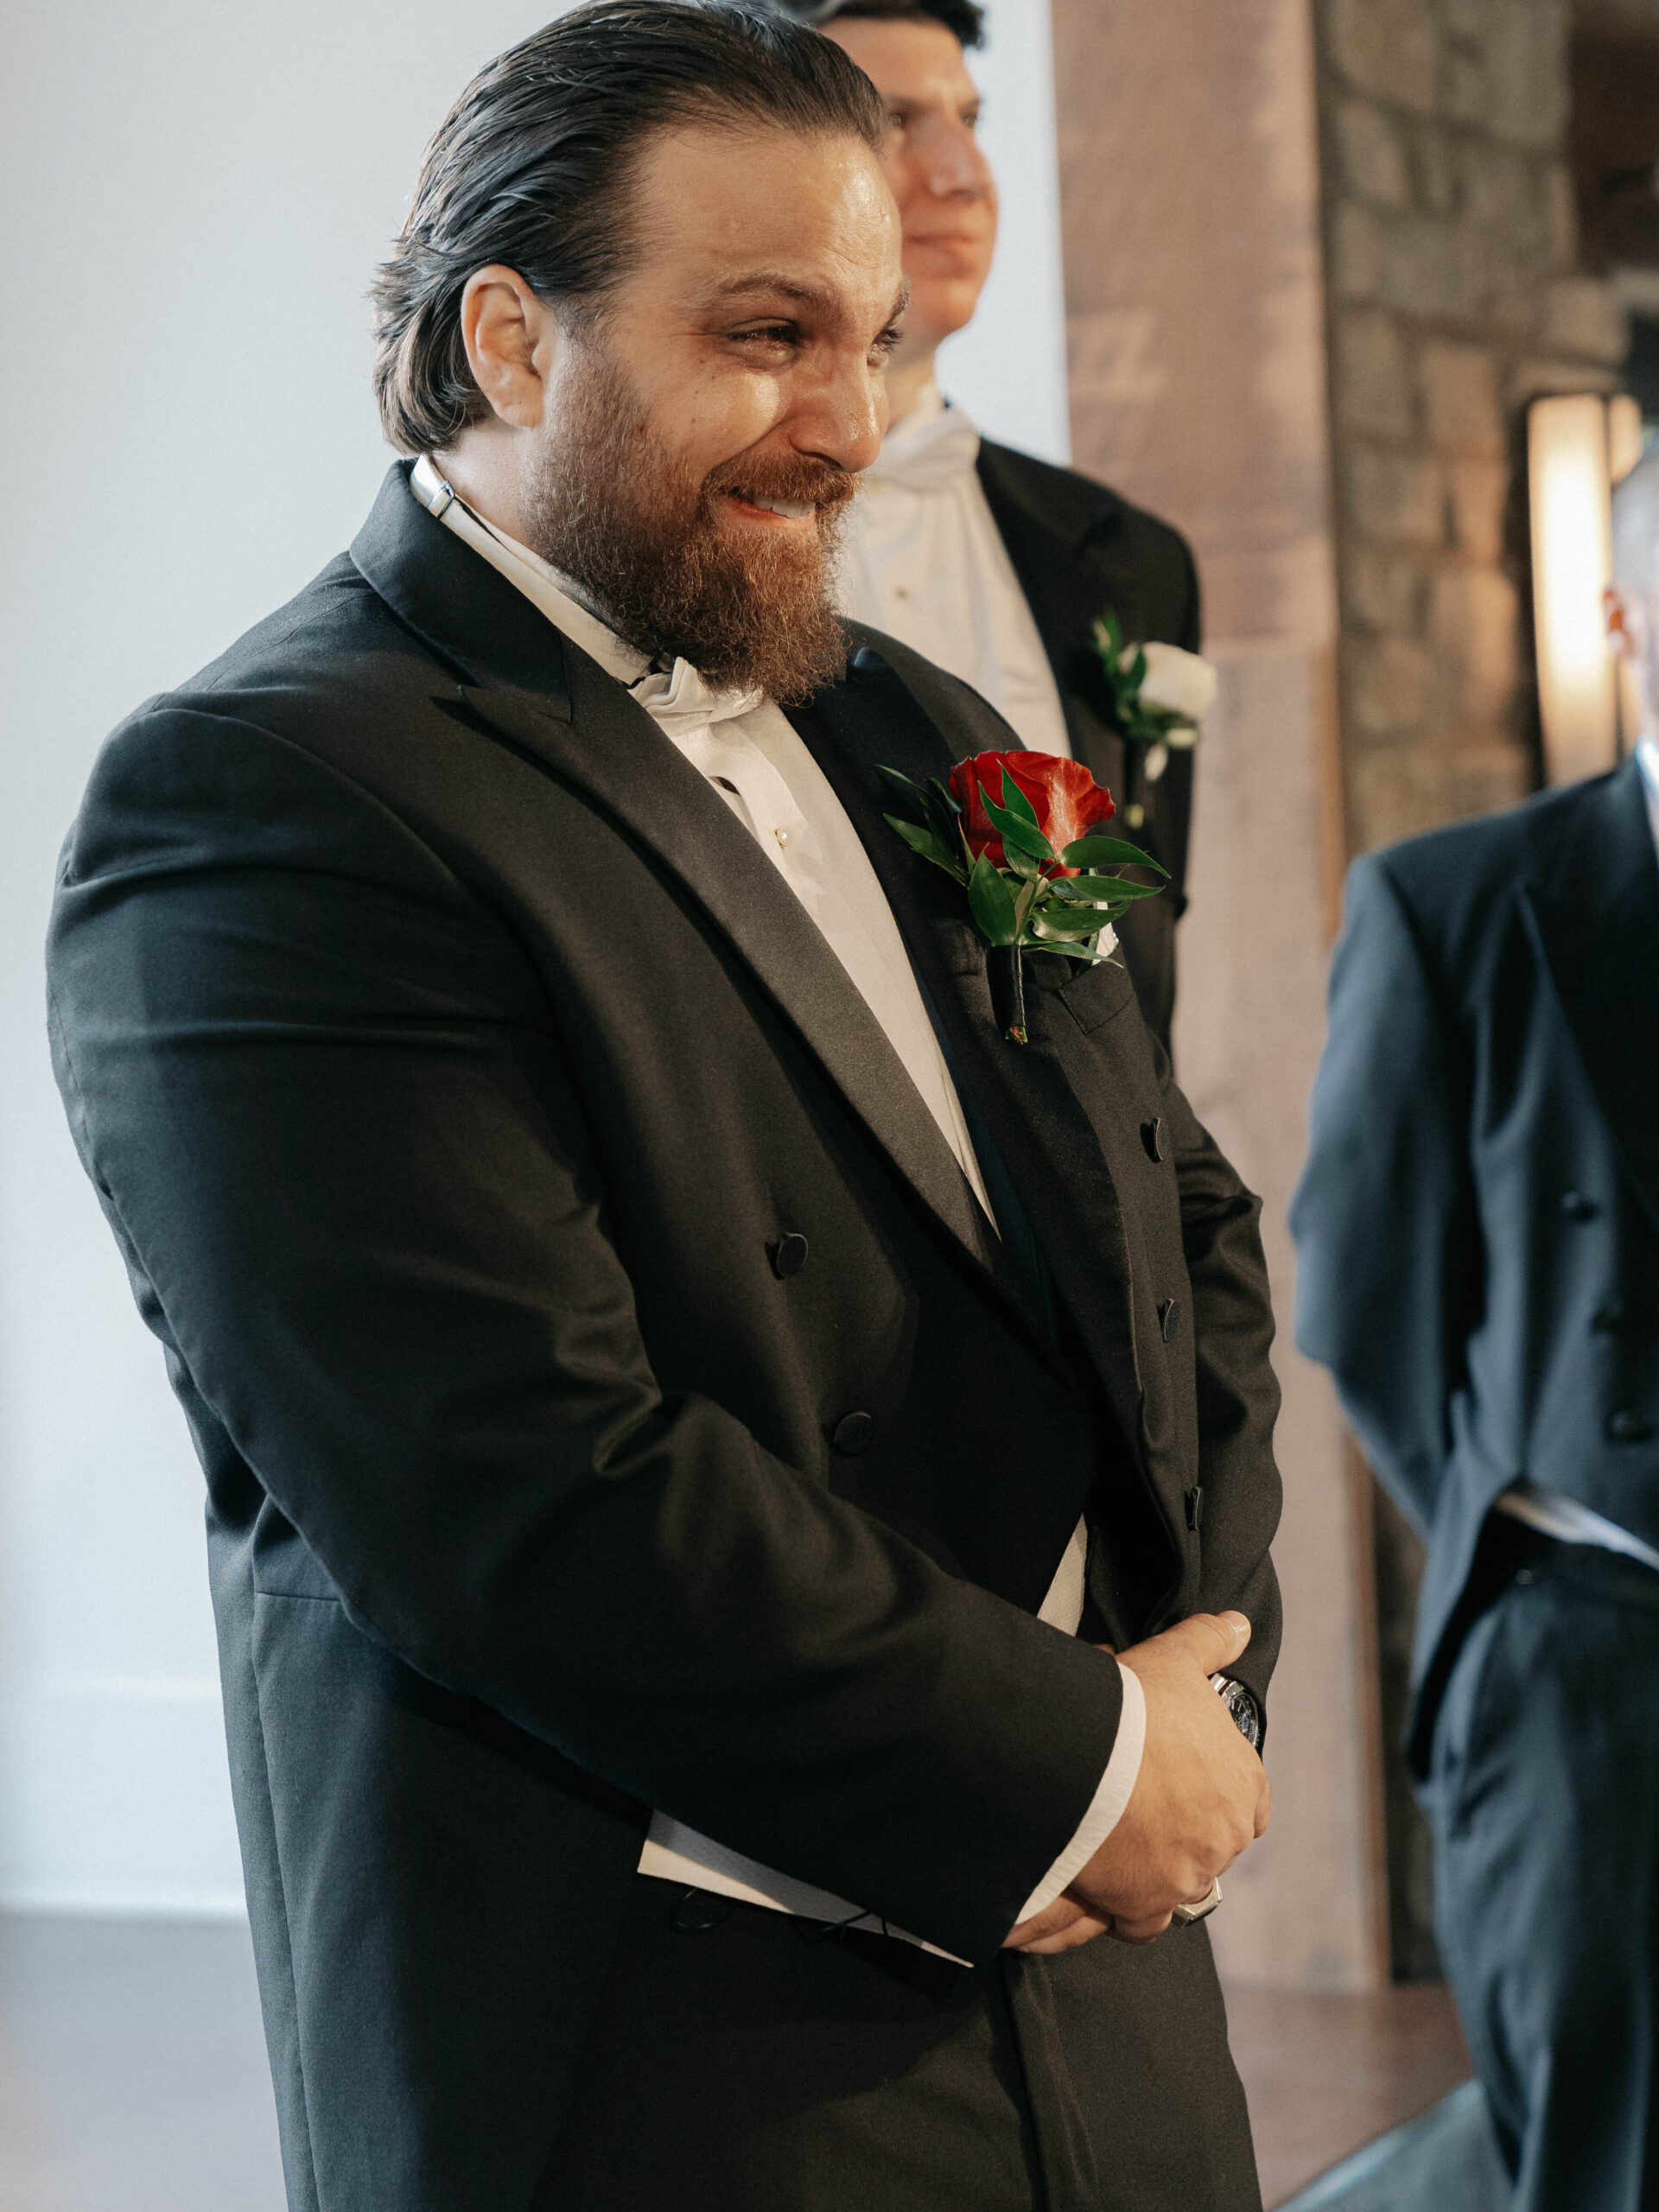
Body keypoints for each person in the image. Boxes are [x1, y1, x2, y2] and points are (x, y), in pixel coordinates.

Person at [48, 9, 1281, 2209]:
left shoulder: (925, 721)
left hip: (1106, 1978)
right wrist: (1080, 1759)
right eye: (766, 333)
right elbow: (515, 1484)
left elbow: (1174, 1208)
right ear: (508, 338)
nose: (850, 422)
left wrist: (1194, 1688)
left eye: (877, 340)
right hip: (670, 2035)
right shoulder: (266, 794)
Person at [1291, 451, 1659, 2211]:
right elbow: (1361, 1291)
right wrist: (1526, 1533)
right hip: (1588, 1661)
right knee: (1604, 2151)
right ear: (1623, 610)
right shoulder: (1458, 904)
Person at [788, 0, 1206, 1053]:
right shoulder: (689, 540)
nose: (964, 173)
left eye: (969, 118)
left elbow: (1146, 999)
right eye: (893, 121)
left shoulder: (1130, 561)